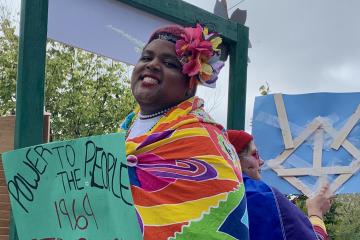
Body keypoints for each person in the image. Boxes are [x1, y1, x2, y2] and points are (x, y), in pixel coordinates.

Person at [120, 24, 249, 240]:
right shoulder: (124, 130)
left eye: (169, 63)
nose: (152, 65)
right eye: (146, 58)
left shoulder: (204, 138)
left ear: (190, 84)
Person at [227, 130, 332, 240]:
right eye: (255, 154)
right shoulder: (265, 198)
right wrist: (316, 212)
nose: (262, 161)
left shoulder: (211, 197)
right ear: (236, 159)